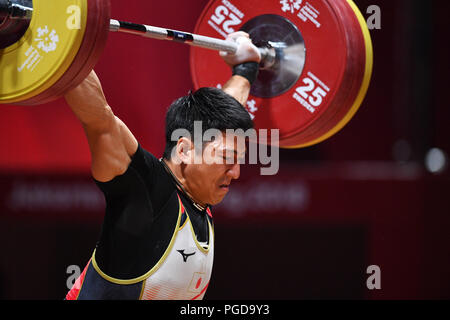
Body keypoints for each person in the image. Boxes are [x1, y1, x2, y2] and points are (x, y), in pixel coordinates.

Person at [65, 32, 261, 300]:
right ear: (185, 150)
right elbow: (99, 119)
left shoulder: (198, 190)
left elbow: (228, 109)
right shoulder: (145, 193)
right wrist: (61, 40)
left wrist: (246, 68)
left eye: (238, 159)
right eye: (227, 159)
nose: (236, 172)